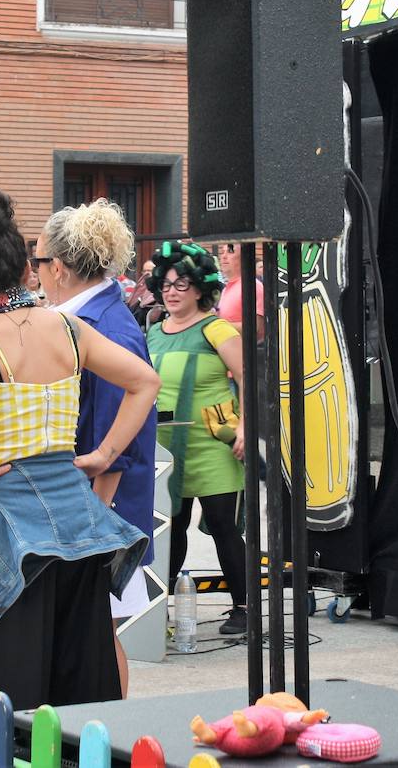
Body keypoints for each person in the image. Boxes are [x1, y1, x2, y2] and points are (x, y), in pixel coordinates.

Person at [0, 188, 157, 744]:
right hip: (76, 518)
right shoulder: (69, 329)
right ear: (29, 270)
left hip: (3, 518)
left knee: (4, 678)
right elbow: (145, 382)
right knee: (79, 665)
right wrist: (101, 455)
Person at [36, 199, 157, 697]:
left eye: (38, 261)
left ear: (59, 269)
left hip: (100, 512)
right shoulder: (96, 315)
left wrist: (91, 521)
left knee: (99, 636)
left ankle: (112, 733)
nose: (35, 272)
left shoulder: (105, 327)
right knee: (91, 635)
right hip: (94, 507)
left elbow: (116, 442)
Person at [144, 241, 250, 636]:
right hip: (167, 447)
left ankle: (244, 608)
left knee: (224, 526)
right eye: (167, 283)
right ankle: (160, 613)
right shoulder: (154, 331)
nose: (172, 291)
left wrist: (244, 427)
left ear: (201, 288)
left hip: (211, 446)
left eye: (182, 283)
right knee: (170, 529)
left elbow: (247, 377)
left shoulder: (215, 327)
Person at [216, 242, 265, 340]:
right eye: (222, 252)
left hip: (245, 353)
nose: (224, 256)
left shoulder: (253, 286)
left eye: (230, 252)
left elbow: (255, 327)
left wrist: (217, 325)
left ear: (243, 258)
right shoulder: (226, 289)